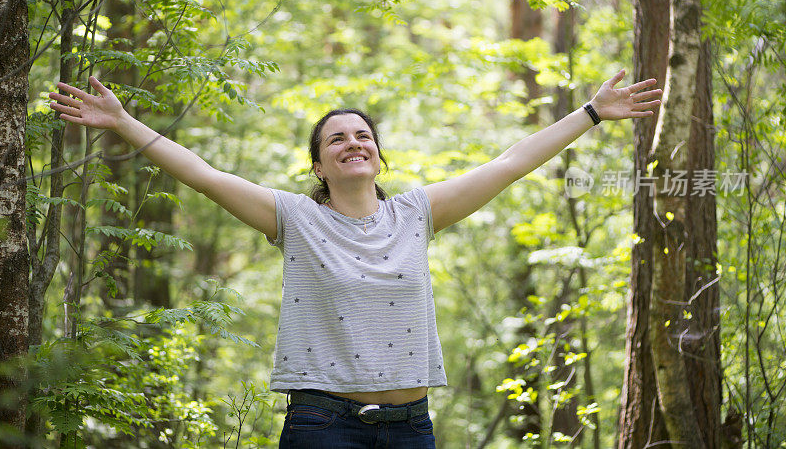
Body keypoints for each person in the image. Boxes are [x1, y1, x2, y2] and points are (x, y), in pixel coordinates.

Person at [50, 70, 661, 448]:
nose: (353, 143)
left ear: (378, 157)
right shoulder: (295, 218)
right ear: (319, 165)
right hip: (323, 426)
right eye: (336, 138)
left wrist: (588, 113)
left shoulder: (418, 214)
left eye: (363, 135)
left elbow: (507, 164)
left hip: (411, 426)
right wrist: (124, 124)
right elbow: (205, 176)